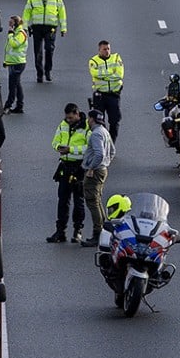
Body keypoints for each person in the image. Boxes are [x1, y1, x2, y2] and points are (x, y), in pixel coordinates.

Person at [47, 103, 89, 243]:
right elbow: (54, 141)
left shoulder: (86, 127)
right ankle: (60, 232)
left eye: (71, 118)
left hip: (79, 168)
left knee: (78, 201)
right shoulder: (63, 124)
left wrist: (70, 149)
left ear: (77, 114)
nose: (68, 120)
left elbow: (89, 148)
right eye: (67, 118)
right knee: (63, 201)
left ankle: (78, 231)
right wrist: (59, 147)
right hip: (65, 167)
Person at [79, 107, 115, 243]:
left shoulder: (95, 134)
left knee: (92, 201)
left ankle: (98, 234)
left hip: (95, 171)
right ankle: (103, 230)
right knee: (97, 200)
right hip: (102, 169)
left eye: (89, 118)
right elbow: (112, 151)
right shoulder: (104, 131)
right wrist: (106, 163)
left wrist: (92, 167)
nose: (87, 121)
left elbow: (99, 153)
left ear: (92, 119)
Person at [22, 0, 67, 83]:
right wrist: (25, 27)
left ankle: (48, 71)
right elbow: (27, 12)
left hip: (50, 27)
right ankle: (39, 73)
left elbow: (62, 13)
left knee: (49, 49)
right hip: (37, 27)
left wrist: (63, 28)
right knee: (37, 52)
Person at [88, 38, 125, 141]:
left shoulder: (116, 58)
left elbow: (119, 75)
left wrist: (103, 75)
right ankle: (103, 142)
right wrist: (111, 73)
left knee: (115, 120)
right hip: (100, 95)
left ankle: (111, 142)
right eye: (104, 49)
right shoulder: (93, 61)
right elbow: (95, 73)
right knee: (99, 121)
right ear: (99, 50)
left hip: (114, 94)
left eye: (108, 49)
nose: (107, 51)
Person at [2, 15, 28, 113]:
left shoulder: (20, 33)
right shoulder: (16, 32)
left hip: (18, 63)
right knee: (17, 85)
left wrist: (10, 34)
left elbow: (14, 44)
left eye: (11, 23)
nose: (9, 25)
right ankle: (19, 106)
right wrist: (6, 62)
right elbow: (9, 49)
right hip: (13, 62)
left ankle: (8, 105)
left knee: (12, 85)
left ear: (16, 23)